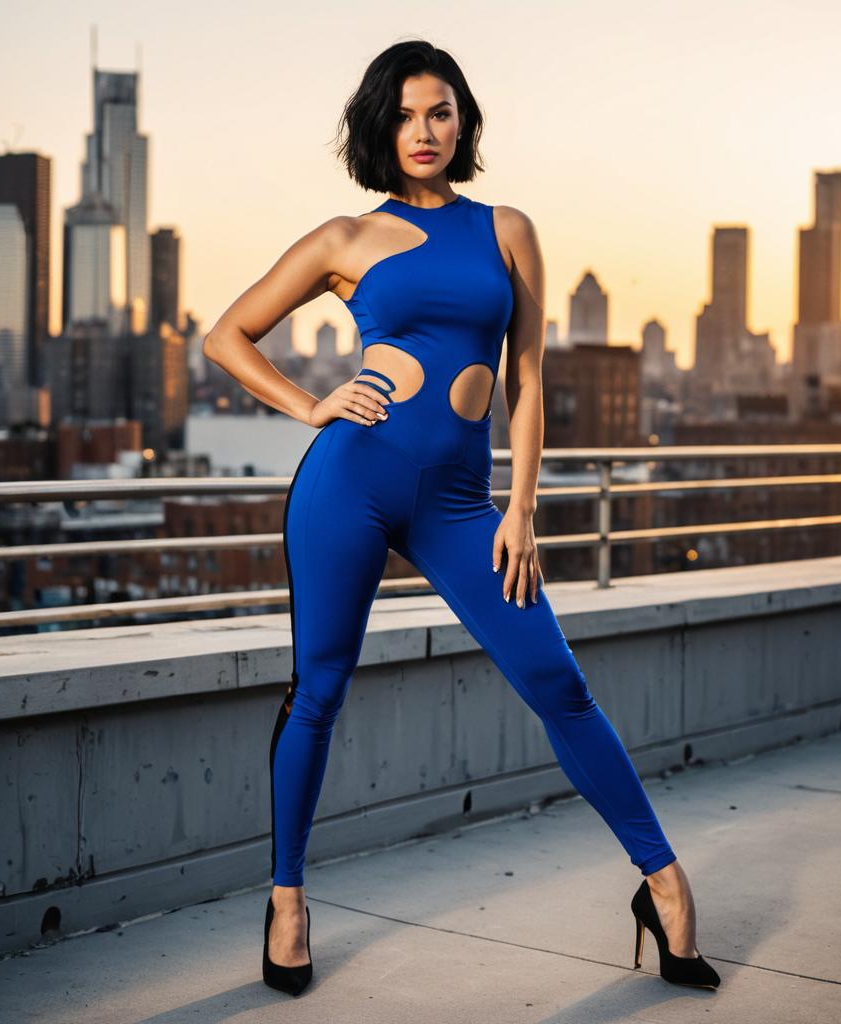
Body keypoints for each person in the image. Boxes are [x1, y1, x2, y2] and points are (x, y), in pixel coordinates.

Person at [203, 38, 720, 997]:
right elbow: (225, 335)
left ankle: (665, 885)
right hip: (348, 484)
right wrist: (310, 404)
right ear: (378, 127)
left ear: (464, 119)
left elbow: (526, 379)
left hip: (460, 506)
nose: (423, 130)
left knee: (557, 685)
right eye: (402, 114)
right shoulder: (343, 239)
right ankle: (286, 902)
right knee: (319, 692)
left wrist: (519, 508)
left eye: (438, 111)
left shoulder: (508, 228)